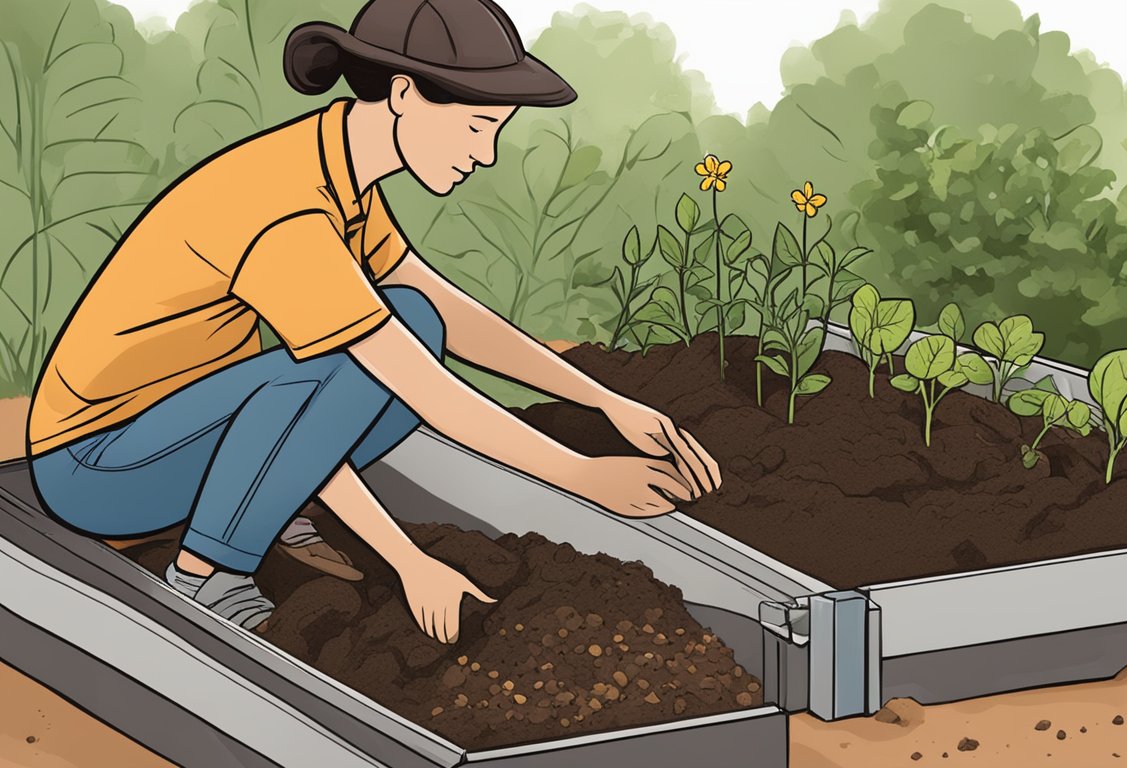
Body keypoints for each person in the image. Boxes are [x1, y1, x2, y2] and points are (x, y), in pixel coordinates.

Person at [26, 0, 722, 643]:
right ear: (403, 92)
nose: (485, 155)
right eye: (479, 127)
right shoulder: (286, 211)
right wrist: (580, 477)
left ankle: (262, 505)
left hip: (194, 426)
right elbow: (416, 385)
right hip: (99, 465)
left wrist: (604, 400)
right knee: (379, 350)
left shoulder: (336, 168)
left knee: (413, 319)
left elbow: (444, 311)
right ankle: (207, 572)